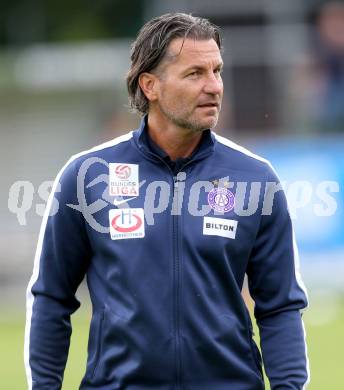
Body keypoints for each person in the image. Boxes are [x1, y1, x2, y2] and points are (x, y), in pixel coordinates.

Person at [24, 13, 309, 390]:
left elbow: (280, 306)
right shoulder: (88, 176)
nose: (214, 86)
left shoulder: (255, 178)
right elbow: (52, 298)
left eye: (216, 70)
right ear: (150, 86)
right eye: (195, 74)